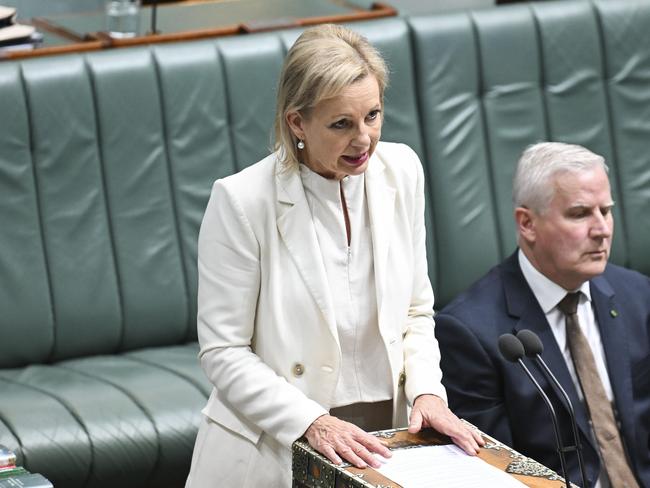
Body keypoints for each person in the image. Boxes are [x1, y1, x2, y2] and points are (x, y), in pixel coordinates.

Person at [184, 23, 483, 488]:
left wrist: (428, 392)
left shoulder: (402, 171)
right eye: (341, 124)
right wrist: (311, 423)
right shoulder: (242, 201)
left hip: (385, 440)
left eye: (373, 115)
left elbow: (415, 311)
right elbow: (223, 352)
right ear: (297, 122)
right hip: (279, 441)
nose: (363, 139)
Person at [435, 142, 650, 488]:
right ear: (528, 224)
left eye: (606, 211)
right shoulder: (469, 332)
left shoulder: (638, 296)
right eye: (580, 214)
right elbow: (492, 471)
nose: (602, 230)